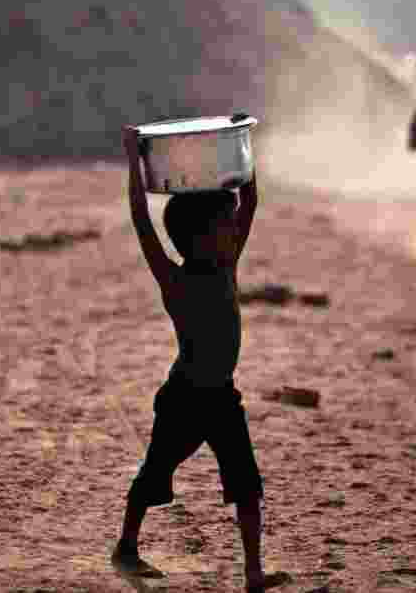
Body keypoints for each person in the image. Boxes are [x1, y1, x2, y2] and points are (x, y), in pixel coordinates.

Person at [112, 126, 289, 593]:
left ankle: (253, 574)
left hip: (223, 397)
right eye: (223, 227)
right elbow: (141, 222)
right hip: (185, 398)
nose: (234, 231)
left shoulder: (227, 262)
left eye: (231, 227)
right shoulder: (175, 281)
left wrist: (243, 151)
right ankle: (127, 546)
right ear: (197, 238)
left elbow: (248, 203)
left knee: (246, 482)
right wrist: (134, 158)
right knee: (156, 472)